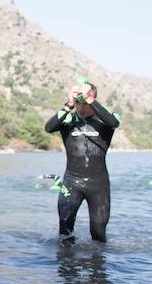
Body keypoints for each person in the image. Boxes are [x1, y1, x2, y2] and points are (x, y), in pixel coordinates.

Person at [44, 79, 120, 243]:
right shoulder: (67, 120)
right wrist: (69, 104)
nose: (81, 104)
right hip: (72, 182)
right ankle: (66, 266)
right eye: (79, 100)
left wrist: (90, 99)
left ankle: (98, 266)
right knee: (65, 230)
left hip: (98, 185)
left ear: (93, 97)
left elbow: (114, 123)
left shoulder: (106, 120)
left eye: (84, 100)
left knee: (98, 233)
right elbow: (49, 128)